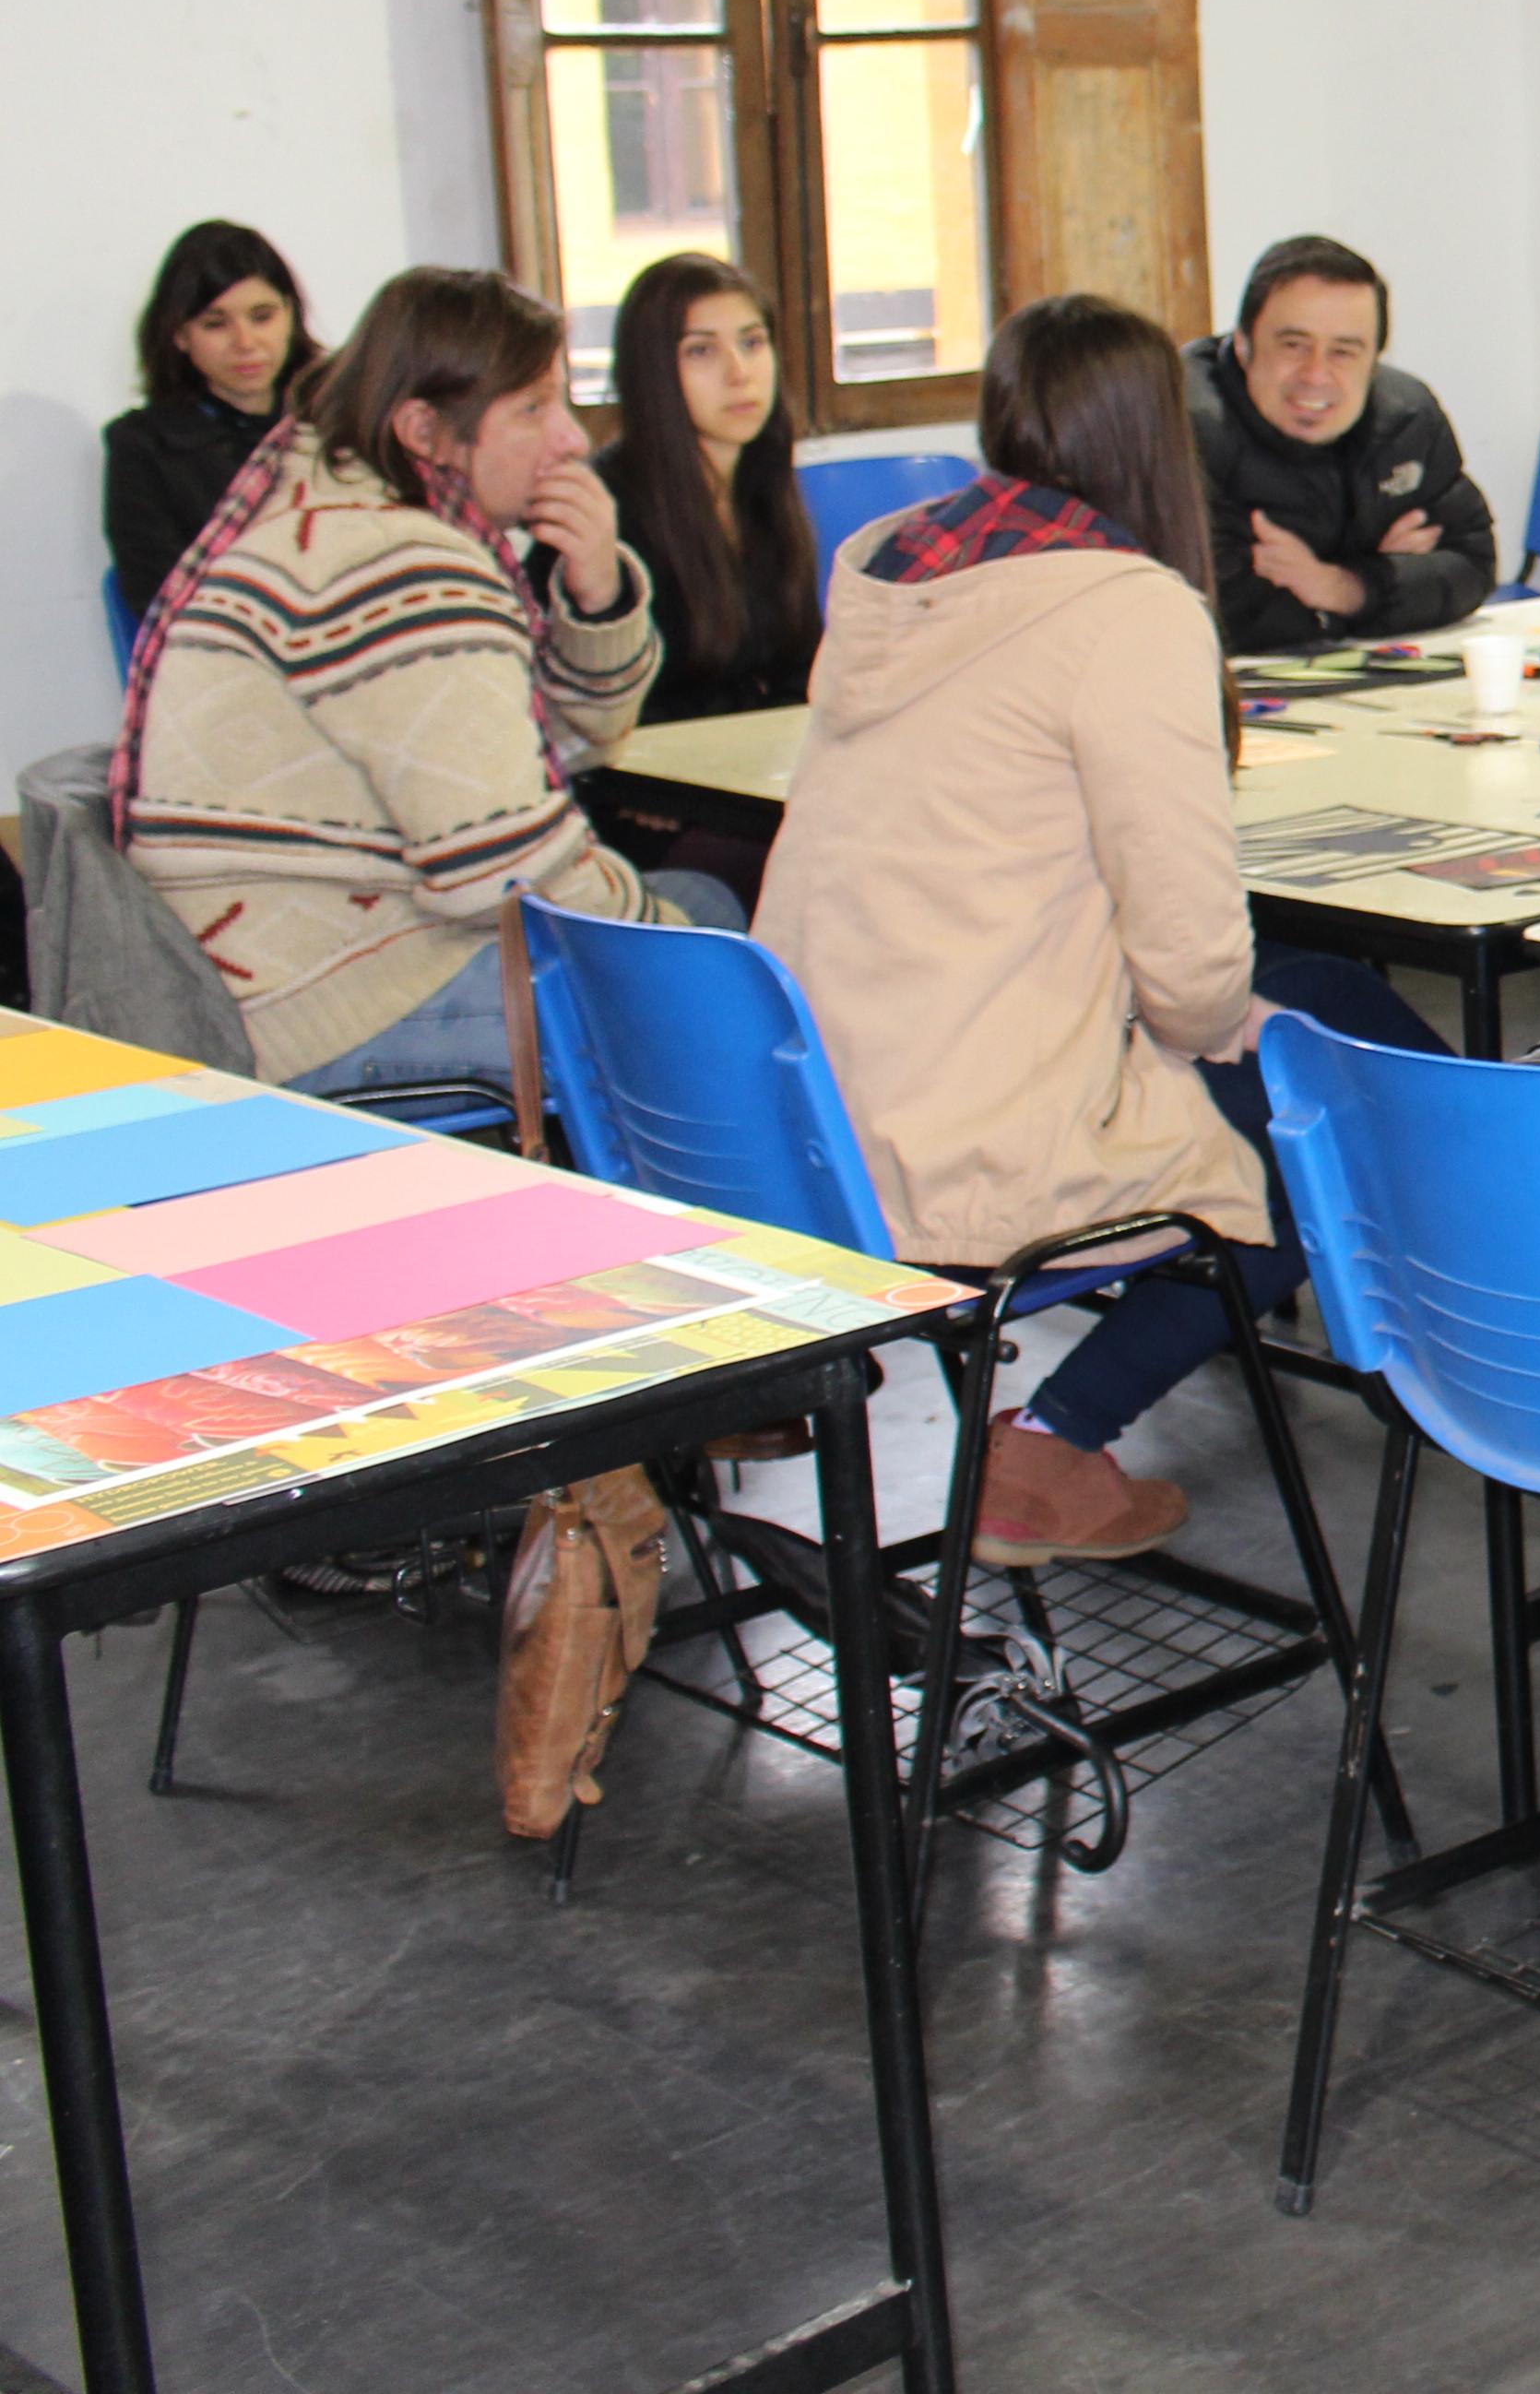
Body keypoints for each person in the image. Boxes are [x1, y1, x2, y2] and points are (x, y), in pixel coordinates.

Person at [766, 293, 1446, 1565]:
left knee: (1336, 998)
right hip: (969, 1126)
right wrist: (1215, 1019)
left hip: (822, 1088)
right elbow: (1189, 968)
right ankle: (1054, 1442)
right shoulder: (1123, 611)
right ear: (1162, 432)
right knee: (1322, 1127)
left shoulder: (893, 565)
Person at [117, 267, 740, 1096]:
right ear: (423, 430)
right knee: (721, 963)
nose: (572, 441)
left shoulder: (335, 509)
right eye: (532, 409)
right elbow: (506, 873)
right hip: (328, 1004)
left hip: (284, 968)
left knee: (698, 908)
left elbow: (574, 739)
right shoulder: (402, 567)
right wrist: (678, 950)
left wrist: (596, 592)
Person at [1180, 234, 1502, 652]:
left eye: (1344, 352)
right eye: (1293, 345)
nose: (1316, 374)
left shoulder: (1407, 419)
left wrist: (1344, 586)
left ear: (1374, 362)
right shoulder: (1183, 424)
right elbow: (1204, 610)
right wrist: (1379, 577)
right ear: (1242, 346)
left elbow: (1472, 565)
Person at [594, 253, 821, 725]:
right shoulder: (607, 507)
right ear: (651, 371)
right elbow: (623, 707)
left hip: (755, 768)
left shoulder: (765, 480)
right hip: (655, 780)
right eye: (701, 351)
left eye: (752, 343)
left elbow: (800, 671)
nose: (739, 373)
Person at [105, 219, 322, 615]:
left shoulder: (331, 422)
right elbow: (159, 598)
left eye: (262, 316)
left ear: (291, 316)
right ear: (180, 334)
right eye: (215, 323)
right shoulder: (144, 446)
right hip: (224, 650)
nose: (245, 343)